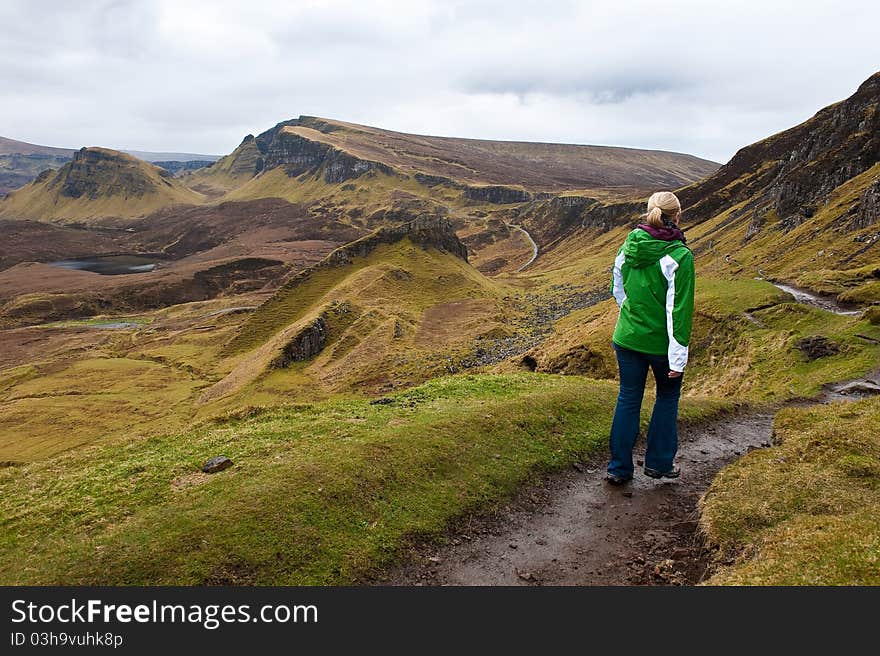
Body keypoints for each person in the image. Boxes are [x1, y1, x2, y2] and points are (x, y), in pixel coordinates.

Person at [605, 191, 695, 485]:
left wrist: (631, 316)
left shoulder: (630, 244)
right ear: (677, 215)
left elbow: (617, 287)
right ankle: (658, 464)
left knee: (628, 397)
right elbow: (678, 311)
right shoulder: (680, 256)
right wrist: (678, 358)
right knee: (667, 398)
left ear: (649, 212)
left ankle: (618, 468)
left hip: (627, 338)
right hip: (661, 346)